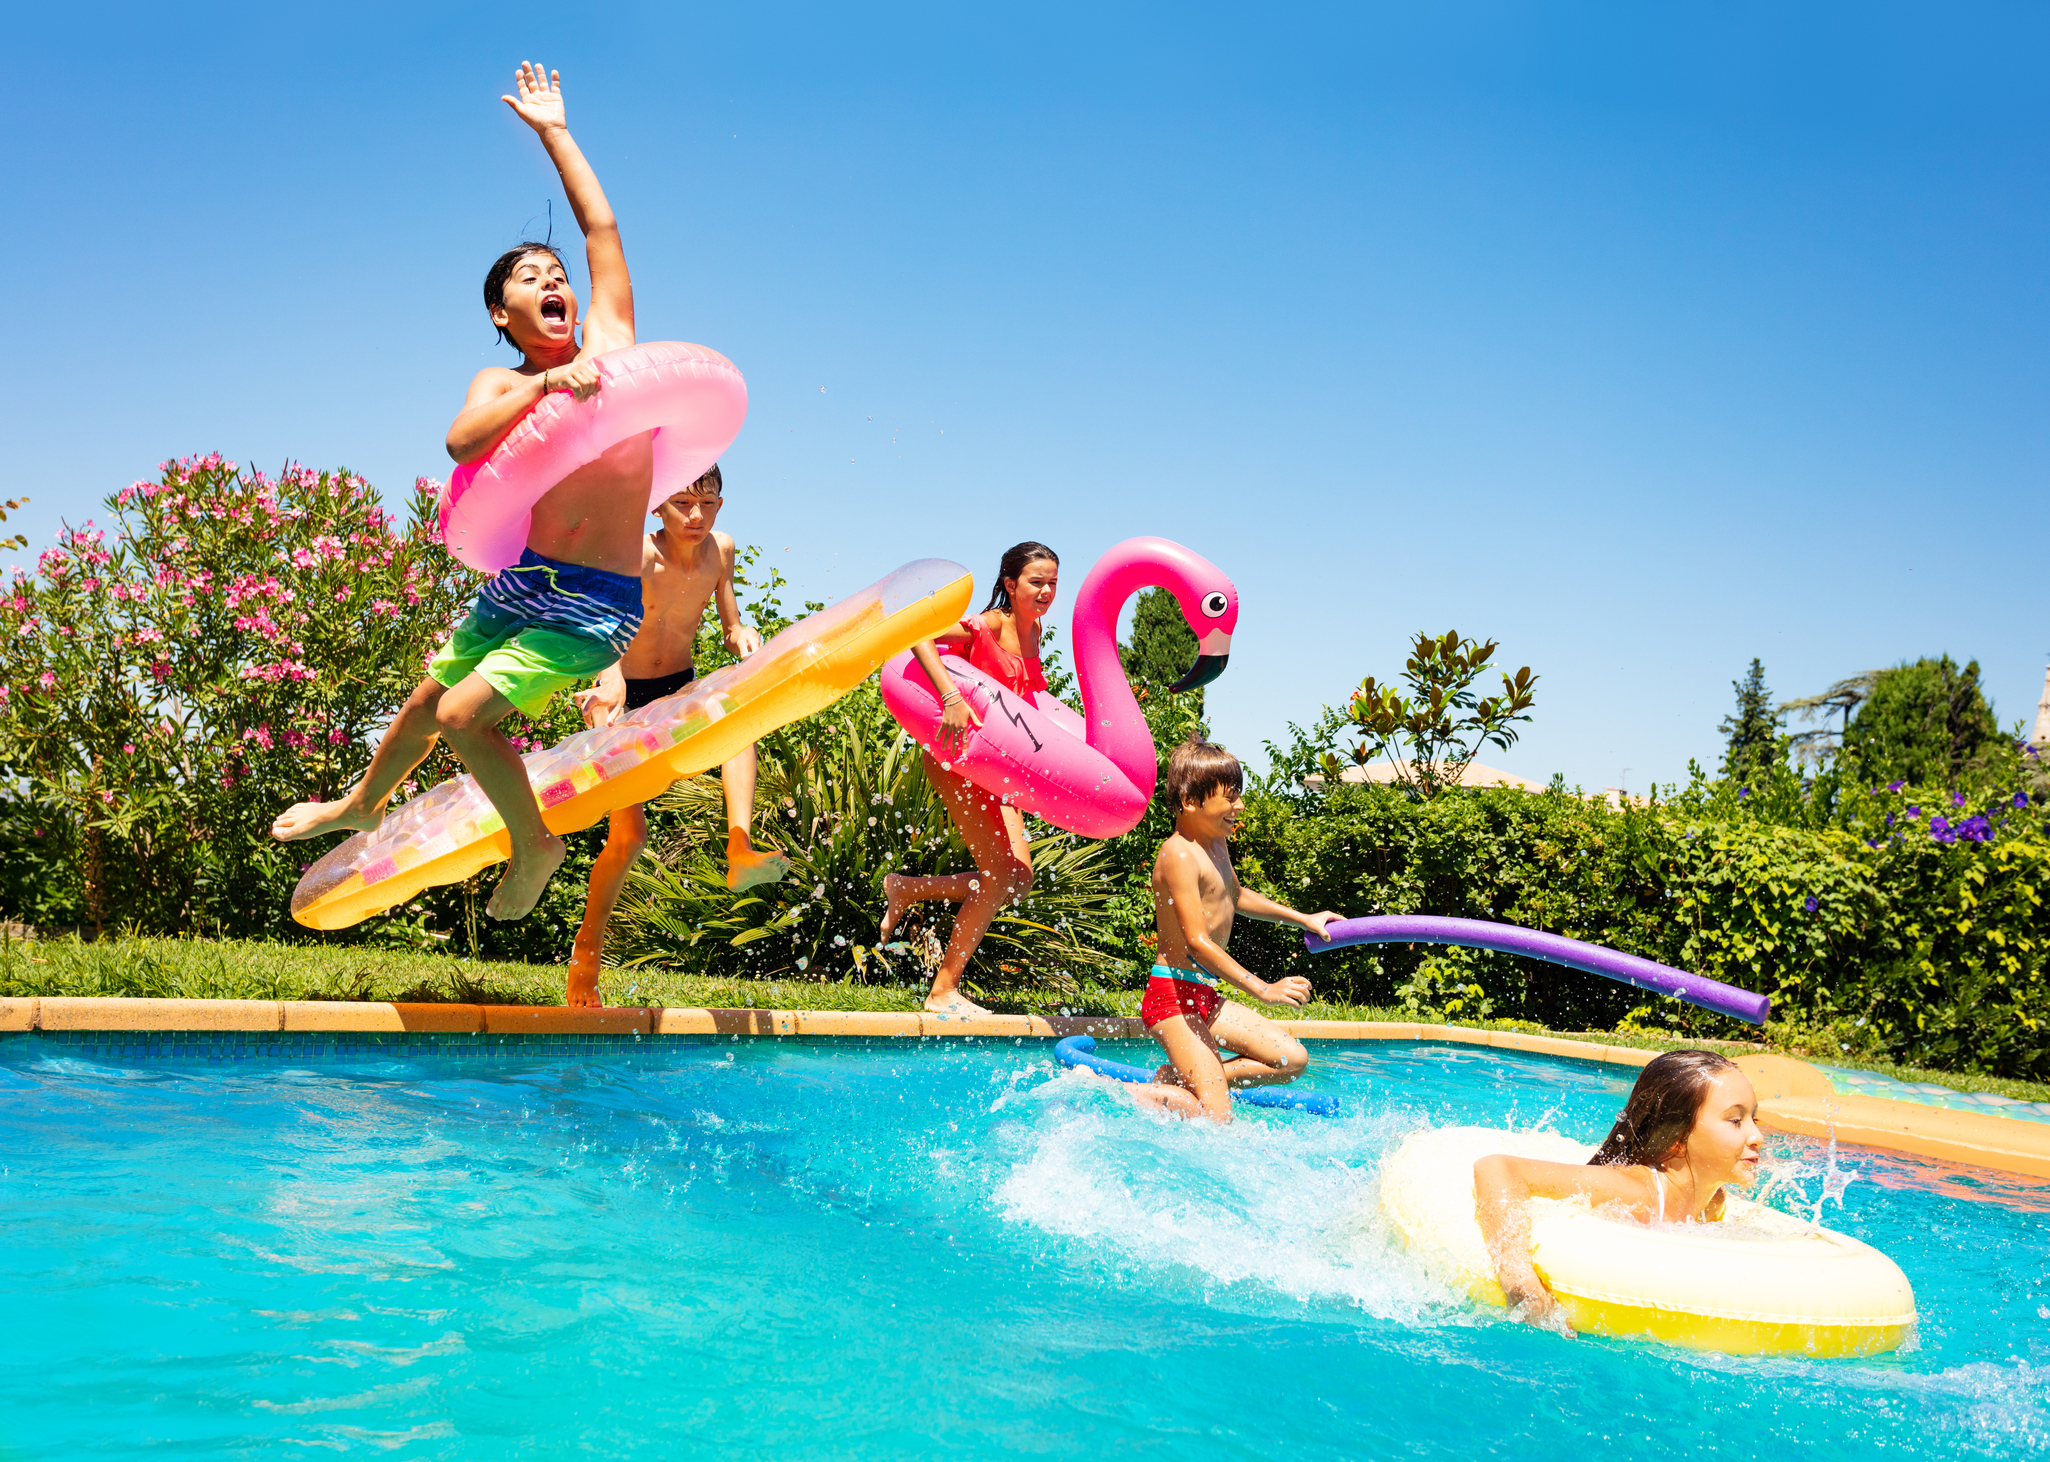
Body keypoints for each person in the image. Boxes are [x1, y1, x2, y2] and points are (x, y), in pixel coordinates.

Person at [272, 62, 652, 920]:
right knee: (423, 702)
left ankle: (535, 842)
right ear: (499, 313)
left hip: (595, 599)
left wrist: (555, 133)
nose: (552, 282)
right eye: (529, 277)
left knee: (461, 714)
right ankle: (360, 803)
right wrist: (544, 387)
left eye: (557, 273)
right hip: (524, 582)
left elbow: (601, 225)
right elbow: (461, 441)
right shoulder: (504, 382)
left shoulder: (615, 344)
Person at [563, 465, 789, 1007]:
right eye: (683, 503)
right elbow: (601, 625)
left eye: (707, 504)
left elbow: (730, 625)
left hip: (677, 687)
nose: (695, 516)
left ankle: (739, 848)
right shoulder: (638, 555)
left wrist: (743, 634)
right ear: (656, 506)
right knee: (628, 839)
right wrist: (609, 677)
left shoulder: (720, 551)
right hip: (620, 692)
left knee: (737, 722)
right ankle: (584, 960)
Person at [877, 542, 1061, 1016]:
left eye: (1052, 583)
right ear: (1010, 585)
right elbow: (916, 630)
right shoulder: (990, 625)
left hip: (1000, 766)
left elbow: (1024, 701)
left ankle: (909, 888)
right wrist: (950, 697)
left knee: (1018, 880)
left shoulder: (1035, 631)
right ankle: (942, 991)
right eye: (1036, 582)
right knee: (998, 876)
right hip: (960, 757)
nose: (1045, 591)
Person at [1120, 738, 1342, 1122]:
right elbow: (1197, 943)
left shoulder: (1215, 843)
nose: (1239, 806)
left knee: (1290, 1059)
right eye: (1230, 797)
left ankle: (1181, 1082)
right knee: (1217, 1120)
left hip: (1203, 994)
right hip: (1172, 999)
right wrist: (1263, 989)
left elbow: (1235, 895)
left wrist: (1304, 918)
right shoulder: (1178, 853)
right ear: (1191, 801)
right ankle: (1113, 1090)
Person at [1472, 1050, 1763, 1329]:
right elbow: (1497, 1168)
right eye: (1735, 1121)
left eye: (1754, 1118)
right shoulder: (1635, 1192)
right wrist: (1520, 1283)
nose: (1757, 1136)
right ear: (1677, 1137)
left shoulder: (1713, 1202)